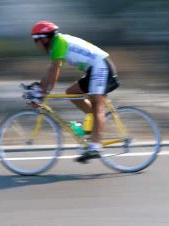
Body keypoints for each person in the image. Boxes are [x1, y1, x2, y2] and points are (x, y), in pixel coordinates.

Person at [30, 21, 119, 163]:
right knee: (72, 93)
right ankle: (93, 126)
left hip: (101, 66)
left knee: (97, 104)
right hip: (94, 68)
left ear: (44, 38)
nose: (35, 44)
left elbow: (54, 73)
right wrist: (39, 87)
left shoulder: (59, 42)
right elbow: (50, 72)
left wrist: (41, 93)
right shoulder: (55, 45)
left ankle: (95, 146)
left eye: (36, 40)